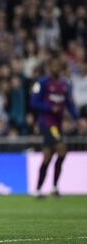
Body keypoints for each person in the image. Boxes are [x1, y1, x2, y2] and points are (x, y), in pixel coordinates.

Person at [31, 55, 79, 198]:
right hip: (47, 122)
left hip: (57, 125)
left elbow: (69, 104)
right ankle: (52, 188)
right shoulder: (42, 83)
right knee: (62, 148)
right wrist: (50, 108)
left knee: (47, 157)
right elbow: (33, 103)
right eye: (53, 65)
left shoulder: (65, 84)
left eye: (58, 65)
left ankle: (40, 189)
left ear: (61, 67)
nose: (55, 68)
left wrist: (78, 119)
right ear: (49, 67)